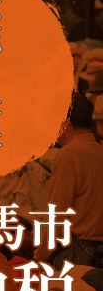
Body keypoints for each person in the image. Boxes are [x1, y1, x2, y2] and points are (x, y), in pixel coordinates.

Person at [45, 92, 103, 269]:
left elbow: (56, 214)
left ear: (64, 122)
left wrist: (40, 255)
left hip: (78, 256)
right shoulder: (99, 150)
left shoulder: (69, 154)